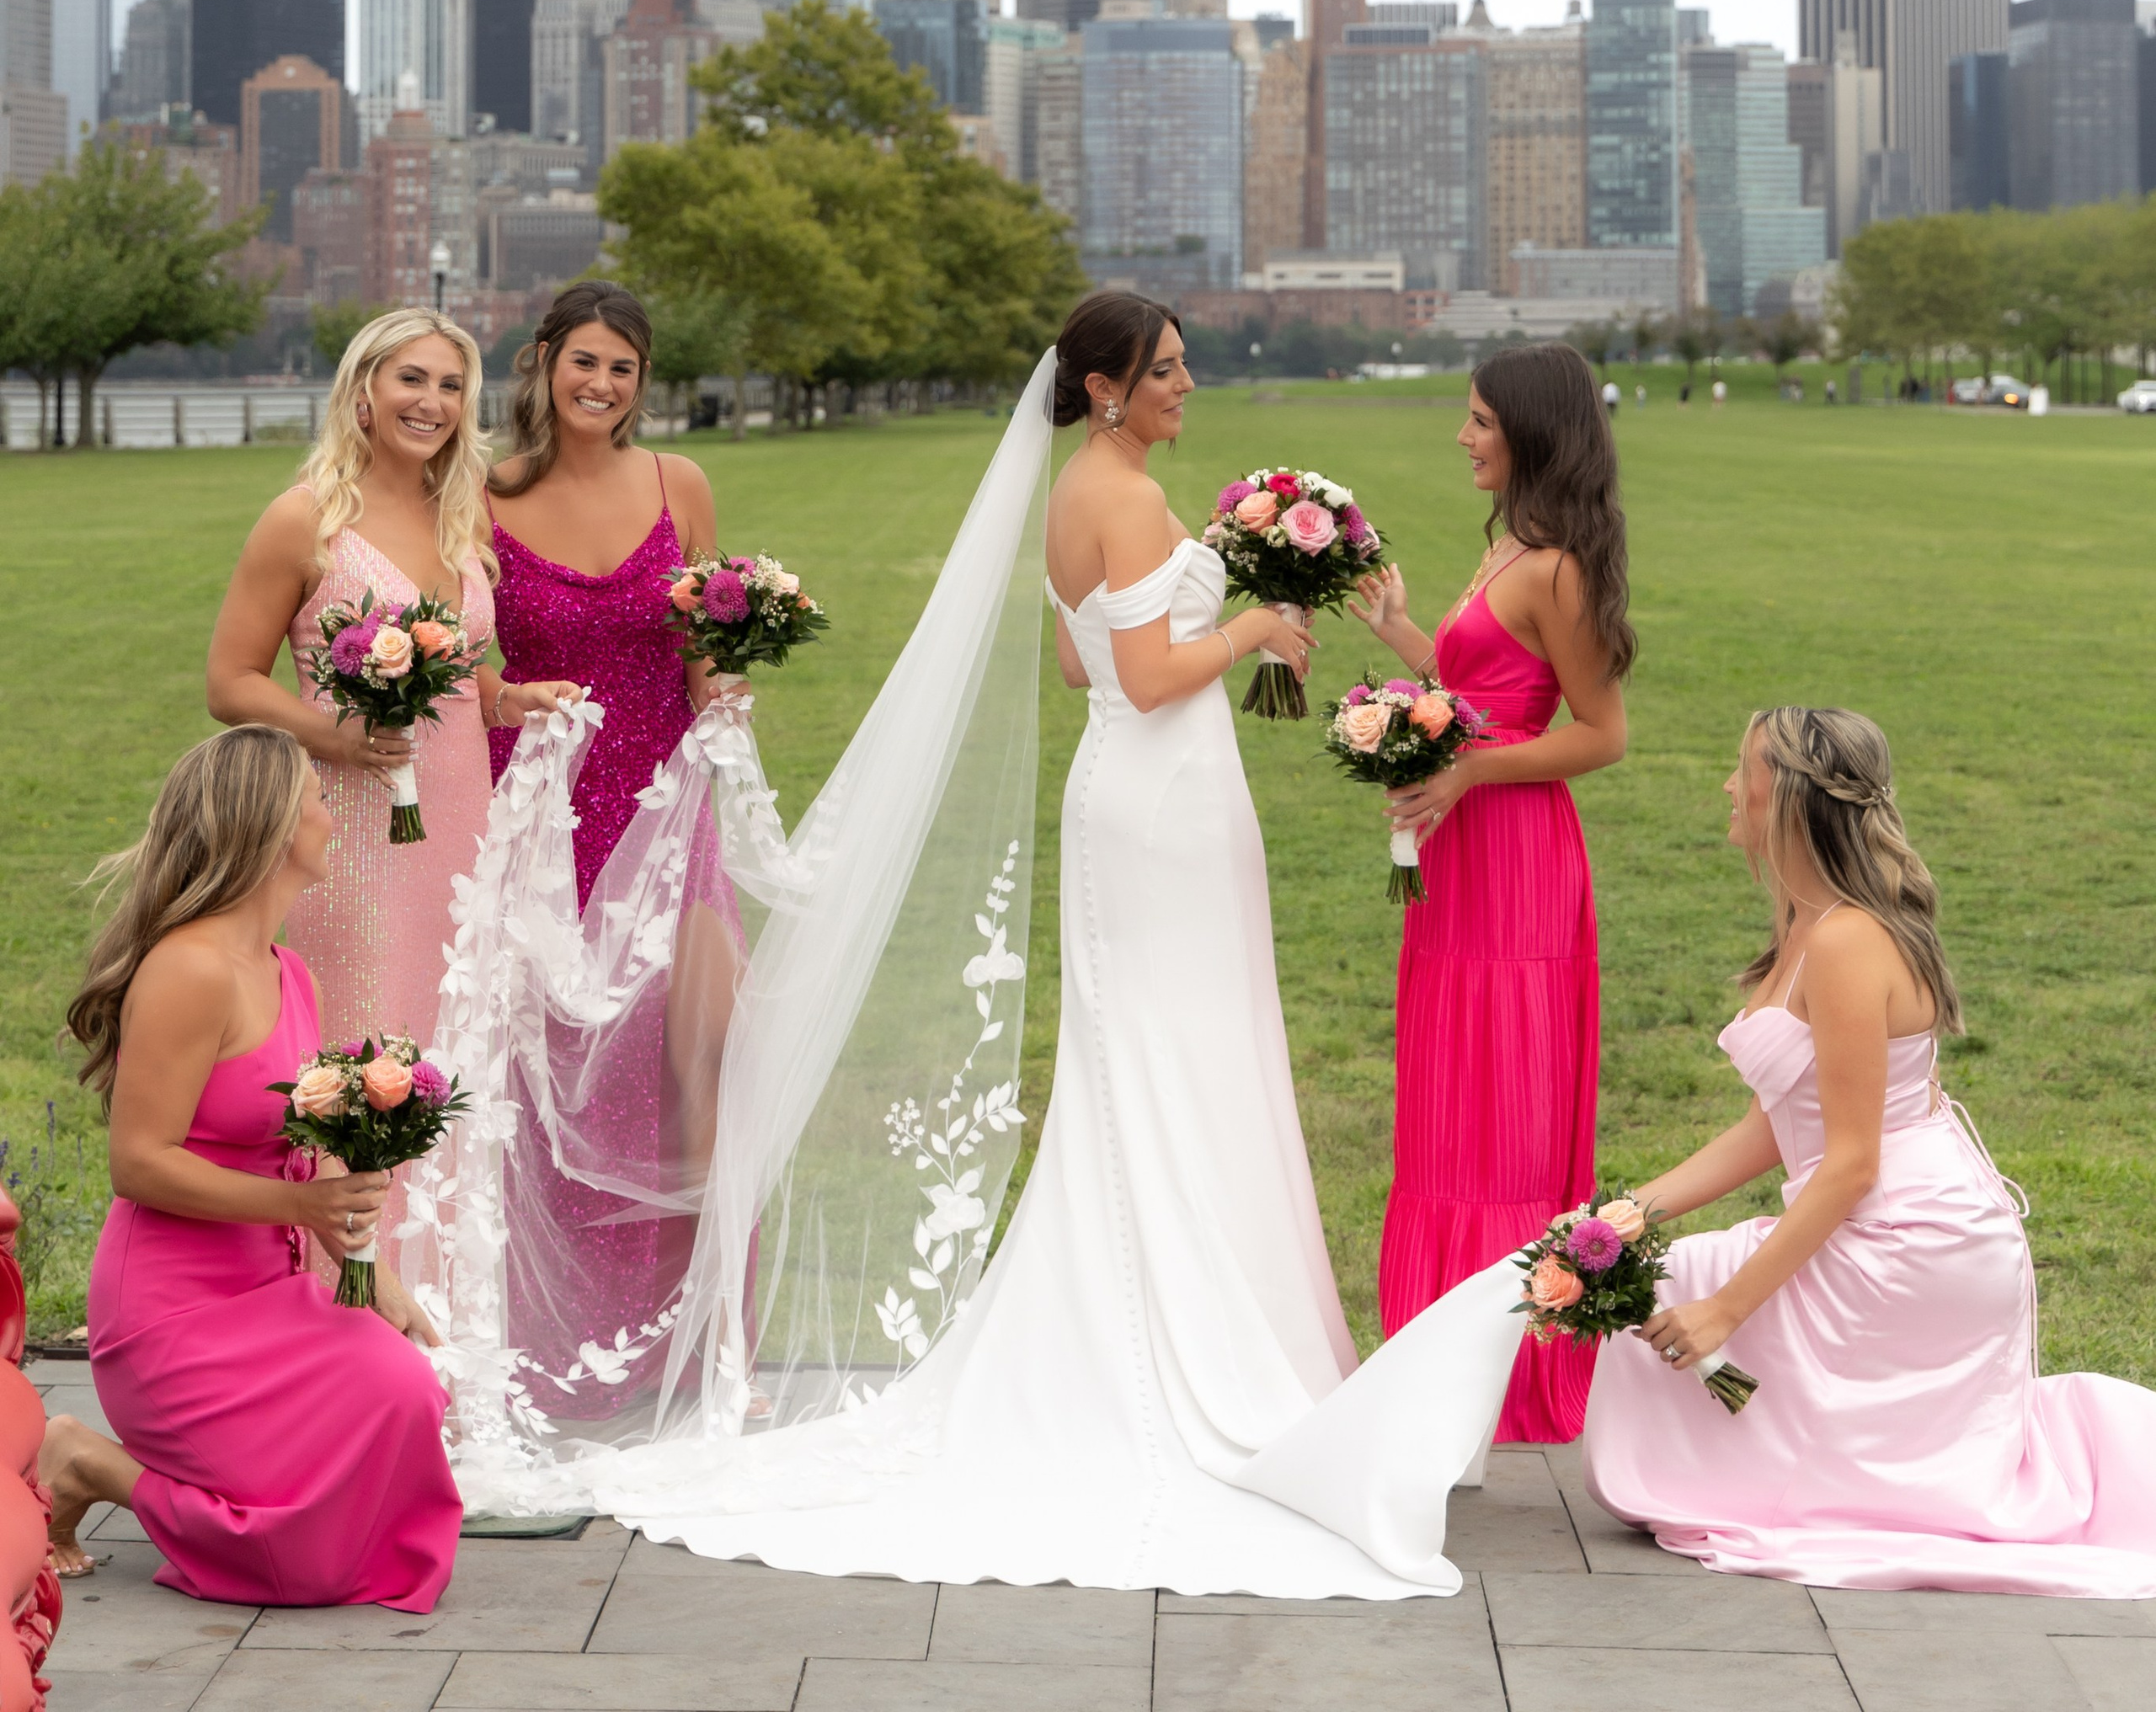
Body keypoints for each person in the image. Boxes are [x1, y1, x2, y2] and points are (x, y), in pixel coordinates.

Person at [420, 295, 1526, 1592]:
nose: (1186, 385)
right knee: (1168, 1056)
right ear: (1106, 387)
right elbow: (1151, 676)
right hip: (1157, 801)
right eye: (1166, 370)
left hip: (1165, 793)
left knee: (1189, 1055)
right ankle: (1171, 1345)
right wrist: (1256, 628)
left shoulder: (1107, 488)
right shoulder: (1108, 493)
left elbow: (1081, 668)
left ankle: (1195, 1321)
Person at [1584, 709, 2156, 1593]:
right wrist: (1628, 1214)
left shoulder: (1848, 941)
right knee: (1645, 1296)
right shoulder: (1811, 925)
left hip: (1908, 1243)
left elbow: (1851, 1164)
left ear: (1789, 801)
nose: (1727, 788)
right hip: (1871, 1218)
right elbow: (1773, 1126)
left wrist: (1727, 1310)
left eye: (1743, 772)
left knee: (1673, 1304)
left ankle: (1824, 1482)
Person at [40, 727, 462, 1607]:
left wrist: (366, 1265)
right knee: (296, 1563)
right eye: (312, 796)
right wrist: (298, 1209)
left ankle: (252, 1497)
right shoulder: (188, 971)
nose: (326, 810)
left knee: (405, 1395)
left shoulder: (287, 971)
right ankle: (87, 1461)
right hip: (172, 1313)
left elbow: (298, 1160)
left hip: (269, 1292)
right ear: (270, 825)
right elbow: (138, 1165)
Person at [205, 309, 574, 1280]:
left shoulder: (464, 516)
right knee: (366, 1042)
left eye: (451, 386)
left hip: (462, 825)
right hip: (348, 830)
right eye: (412, 380)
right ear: (363, 389)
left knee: (452, 1044)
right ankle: (343, 1293)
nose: (432, 403)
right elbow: (231, 680)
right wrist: (341, 735)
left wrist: (510, 699)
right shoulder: (306, 517)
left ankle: (446, 1298)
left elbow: (457, 682)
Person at [1350, 342, 1630, 1440]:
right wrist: (1403, 642)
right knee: (1449, 1099)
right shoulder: (1507, 541)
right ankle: (1438, 1347)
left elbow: (1600, 735)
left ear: (1529, 429)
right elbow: (1484, 691)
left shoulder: (1559, 564)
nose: (1460, 435)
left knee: (1503, 1104)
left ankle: (1505, 1368)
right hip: (1462, 853)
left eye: (1477, 419)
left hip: (1516, 858)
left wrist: (1466, 769)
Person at [482, 279, 748, 1394]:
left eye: (622, 368)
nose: (600, 384)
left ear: (643, 383)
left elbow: (701, 645)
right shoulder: (481, 493)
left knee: (703, 1061)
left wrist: (726, 694)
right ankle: (544, 1335)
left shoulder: (677, 484)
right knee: (548, 1081)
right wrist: (498, 698)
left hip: (668, 809)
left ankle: (712, 1336)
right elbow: (458, 658)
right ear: (544, 360)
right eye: (583, 360)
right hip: (541, 823)